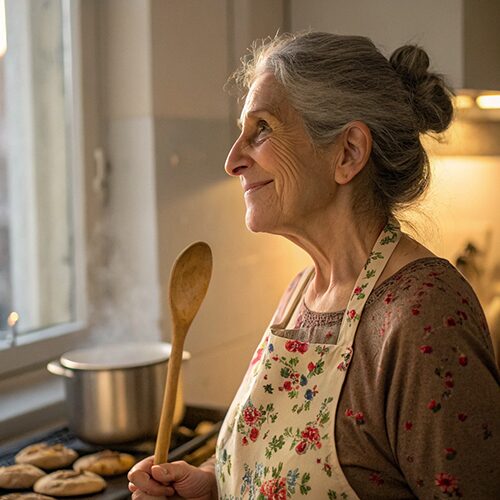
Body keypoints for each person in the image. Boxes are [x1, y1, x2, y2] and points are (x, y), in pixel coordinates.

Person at [128, 31, 500, 499]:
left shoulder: (423, 317)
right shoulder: (302, 292)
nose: (232, 161)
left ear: (347, 153)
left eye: (261, 129)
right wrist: (214, 489)